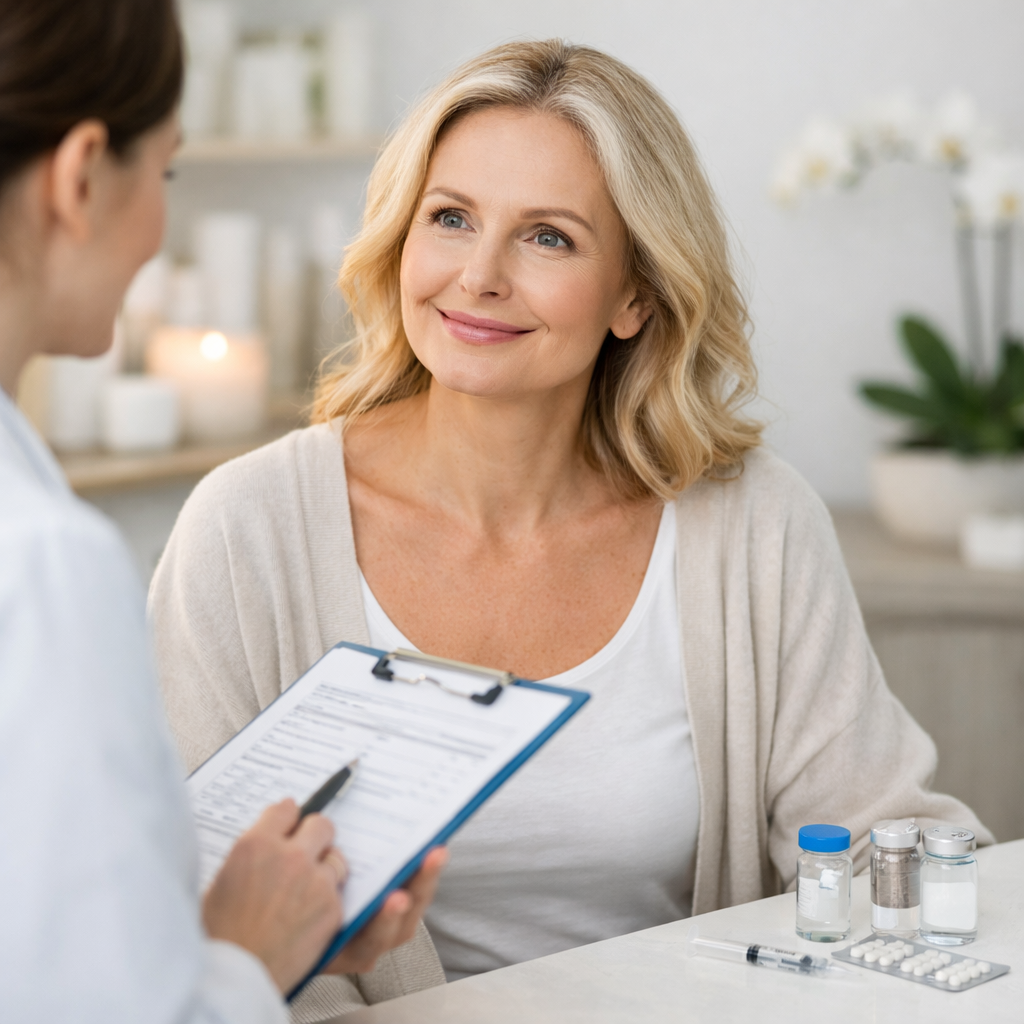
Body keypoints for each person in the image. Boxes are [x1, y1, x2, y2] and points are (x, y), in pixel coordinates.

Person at [150, 38, 991, 995]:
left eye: (548, 236)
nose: (479, 276)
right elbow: (186, 914)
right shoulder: (247, 530)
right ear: (400, 239)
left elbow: (889, 835)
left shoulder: (751, 525)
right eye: (452, 218)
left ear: (636, 292)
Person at [0, 2, 444, 1022]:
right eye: (164, 175)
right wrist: (244, 953)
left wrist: (253, 936)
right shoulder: (42, 560)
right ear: (78, 178)